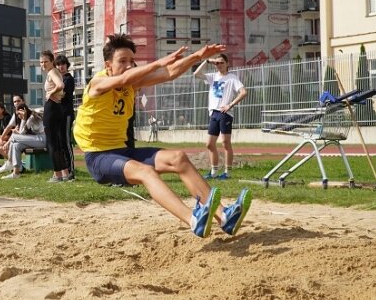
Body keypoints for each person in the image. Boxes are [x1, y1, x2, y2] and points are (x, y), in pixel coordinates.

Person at [73, 34, 251, 238]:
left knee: (178, 158)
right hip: (98, 157)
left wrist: (198, 56)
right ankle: (194, 220)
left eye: (132, 61)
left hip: (123, 151)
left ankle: (225, 217)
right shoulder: (97, 83)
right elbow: (123, 78)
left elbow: (170, 72)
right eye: (122, 61)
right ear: (108, 65)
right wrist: (157, 63)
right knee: (146, 172)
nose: (129, 66)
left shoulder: (130, 85)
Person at [193, 53, 248, 180]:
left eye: (222, 62)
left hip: (225, 113)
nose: (219, 65)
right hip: (214, 113)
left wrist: (230, 104)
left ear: (227, 63)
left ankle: (227, 173)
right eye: (217, 63)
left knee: (225, 142)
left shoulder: (232, 78)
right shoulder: (213, 77)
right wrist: (207, 61)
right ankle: (214, 172)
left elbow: (243, 92)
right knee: (209, 144)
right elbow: (196, 74)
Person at [40, 50, 71, 183]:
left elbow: (60, 85)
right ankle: (64, 173)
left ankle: (57, 175)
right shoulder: (54, 72)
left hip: (52, 108)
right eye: (41, 62)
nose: (43, 64)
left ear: (52, 61)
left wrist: (50, 93)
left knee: (51, 143)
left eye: (45, 61)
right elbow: (61, 89)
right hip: (56, 108)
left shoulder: (52, 72)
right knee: (56, 143)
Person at [0, 103, 46, 179]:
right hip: (36, 139)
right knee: (16, 145)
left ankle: (10, 161)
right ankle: (16, 173)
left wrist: (24, 118)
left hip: (43, 139)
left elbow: (21, 133)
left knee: (14, 137)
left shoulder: (32, 117)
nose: (18, 116)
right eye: (17, 114)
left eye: (19, 113)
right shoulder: (28, 119)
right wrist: (23, 119)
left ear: (25, 111)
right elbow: (22, 133)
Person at [55, 54, 76, 179]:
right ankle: (65, 169)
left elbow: (63, 95)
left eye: (62, 64)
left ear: (67, 65)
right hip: (58, 114)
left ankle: (71, 170)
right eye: (58, 65)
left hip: (67, 113)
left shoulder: (68, 79)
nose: (60, 67)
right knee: (60, 142)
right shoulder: (57, 79)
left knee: (67, 142)